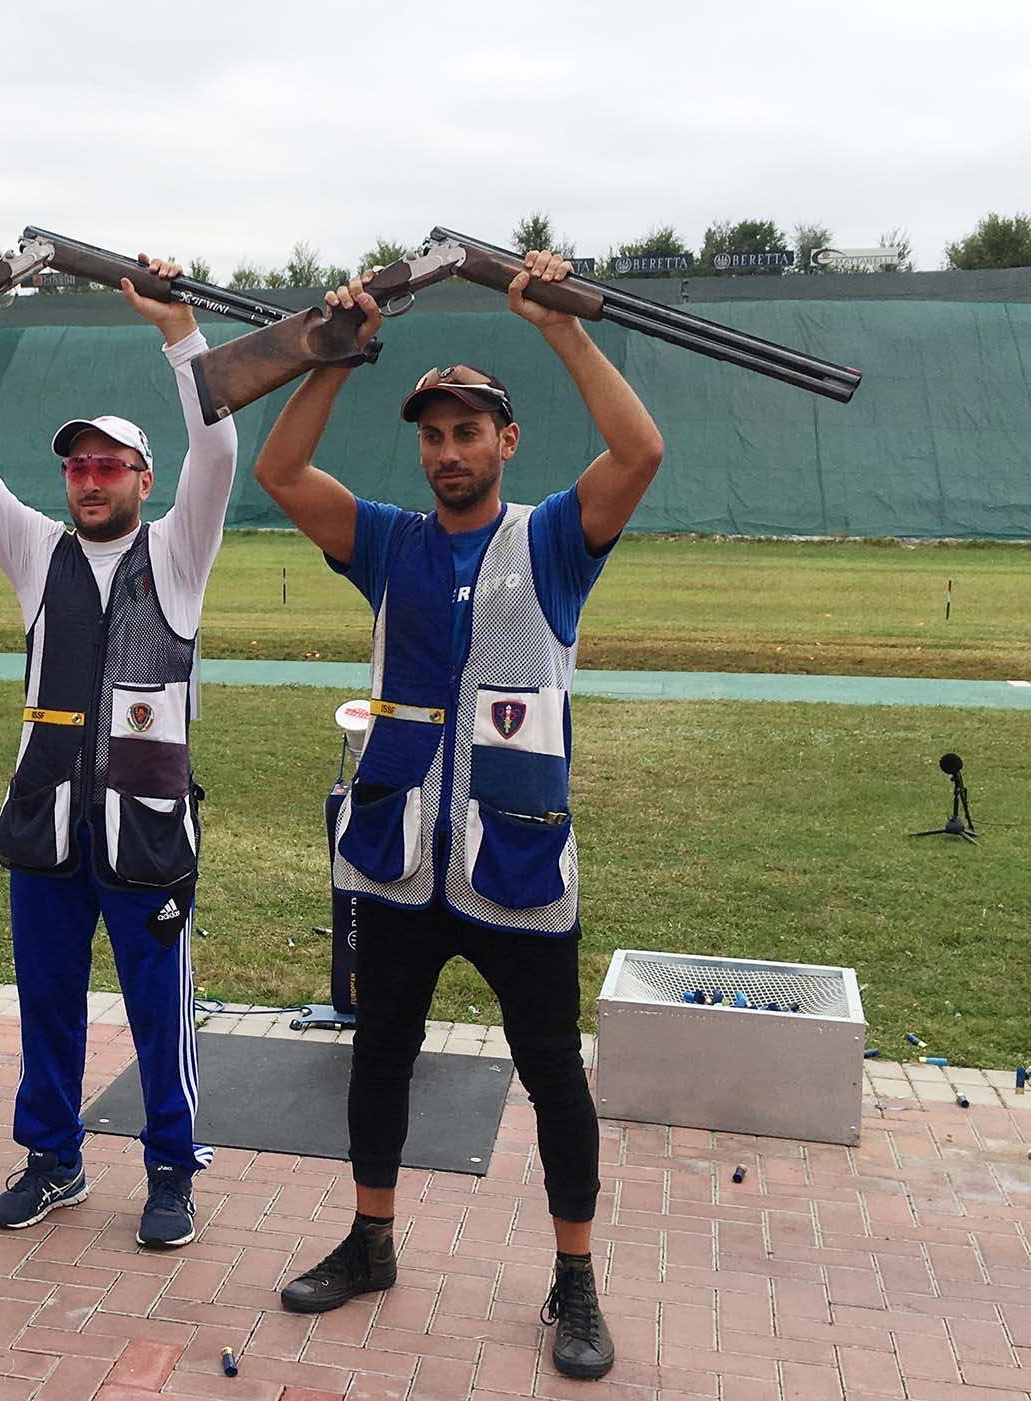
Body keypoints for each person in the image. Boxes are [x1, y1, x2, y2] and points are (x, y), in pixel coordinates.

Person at [253, 252, 664, 1381]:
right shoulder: (384, 542)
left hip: (515, 866)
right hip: (393, 859)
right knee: (378, 1056)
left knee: (548, 1073)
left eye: (466, 432)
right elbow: (280, 468)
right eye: (432, 435)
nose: (446, 452)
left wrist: (558, 325)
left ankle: (573, 1276)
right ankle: (370, 1240)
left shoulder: (550, 543)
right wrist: (329, 357)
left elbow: (639, 452)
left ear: (503, 442)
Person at [0, 256, 238, 1250]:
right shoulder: (35, 551)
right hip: (45, 831)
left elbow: (220, 447)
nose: (90, 480)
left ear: (143, 480)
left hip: (145, 836)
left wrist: (178, 331)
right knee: (46, 1008)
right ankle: (52, 1160)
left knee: (159, 1017)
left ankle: (168, 1171)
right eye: (77, 465)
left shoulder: (180, 552)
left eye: (109, 466)